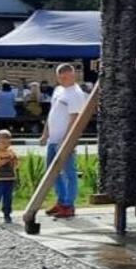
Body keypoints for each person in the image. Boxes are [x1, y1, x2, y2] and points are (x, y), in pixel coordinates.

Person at [40, 63, 90, 219]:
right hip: (53, 139)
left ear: (73, 75)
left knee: (69, 172)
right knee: (52, 172)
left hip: (65, 140)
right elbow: (52, 113)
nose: (62, 80)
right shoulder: (58, 90)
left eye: (65, 77)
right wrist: (45, 134)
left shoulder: (76, 94)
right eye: (60, 77)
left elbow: (75, 119)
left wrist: (67, 140)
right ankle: (61, 201)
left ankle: (69, 205)